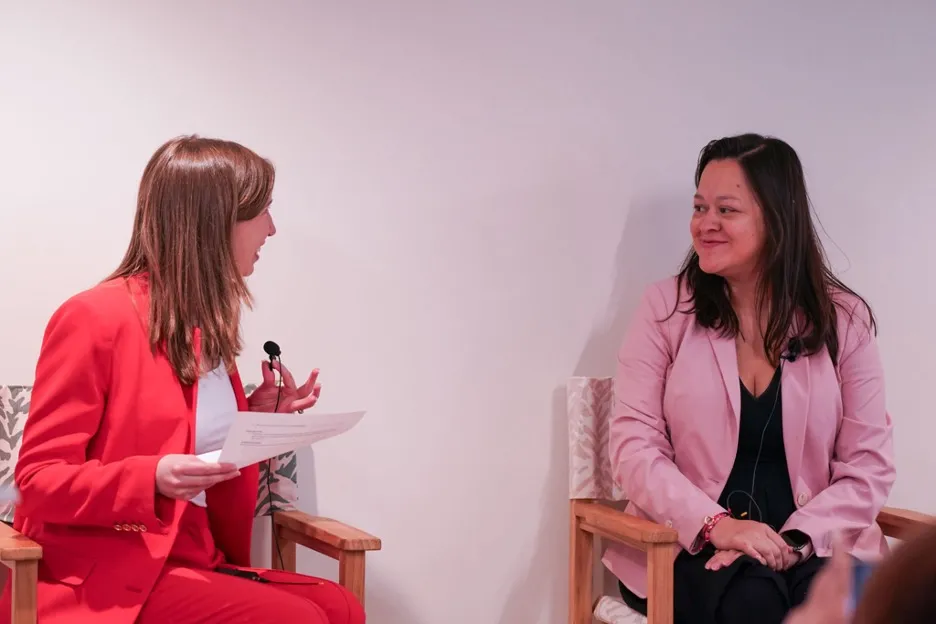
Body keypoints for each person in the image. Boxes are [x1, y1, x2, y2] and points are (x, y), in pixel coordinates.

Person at [0, 136, 365, 623]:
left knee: (338, 605)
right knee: (299, 618)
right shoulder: (93, 317)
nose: (272, 229)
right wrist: (150, 477)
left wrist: (253, 416)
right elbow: (39, 480)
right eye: (260, 212)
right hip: (104, 571)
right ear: (213, 222)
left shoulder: (205, 327)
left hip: (189, 553)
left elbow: (193, 435)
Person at [603, 133, 895, 624]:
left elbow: (868, 466)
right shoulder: (665, 310)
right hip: (690, 548)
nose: (705, 224)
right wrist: (719, 526)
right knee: (754, 602)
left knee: (837, 604)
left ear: (778, 221)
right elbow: (634, 449)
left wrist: (797, 540)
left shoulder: (845, 320)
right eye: (700, 207)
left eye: (726, 210)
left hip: (811, 545)